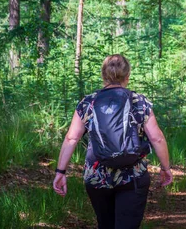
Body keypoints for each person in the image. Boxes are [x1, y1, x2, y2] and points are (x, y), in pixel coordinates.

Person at [53, 54, 173, 229]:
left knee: (106, 225)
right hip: (133, 177)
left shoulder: (88, 102)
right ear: (127, 76)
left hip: (97, 177)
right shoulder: (139, 102)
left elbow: (71, 138)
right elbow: (157, 138)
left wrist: (60, 172)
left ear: (103, 76)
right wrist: (166, 168)